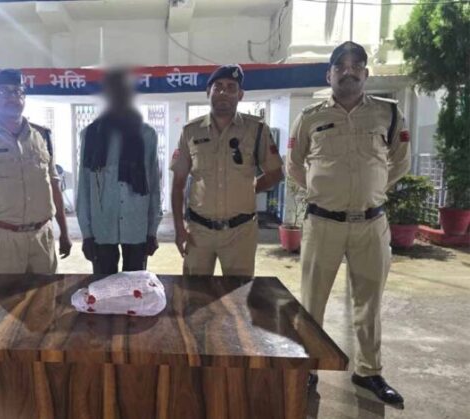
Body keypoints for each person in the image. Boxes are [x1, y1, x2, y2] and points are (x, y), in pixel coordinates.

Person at [286, 41, 410, 405]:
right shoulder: (309, 116)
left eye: (356, 66)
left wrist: (374, 191)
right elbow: (294, 163)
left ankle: (368, 371)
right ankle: (308, 369)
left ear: (366, 74)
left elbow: (400, 160)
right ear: (329, 74)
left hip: (371, 225)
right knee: (312, 302)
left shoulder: (388, 113)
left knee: (369, 303)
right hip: (323, 223)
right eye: (341, 66)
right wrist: (320, 192)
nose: (349, 71)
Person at [0, 69, 71, 286]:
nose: (12, 97)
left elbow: (53, 185)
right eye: (3, 92)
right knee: (0, 304)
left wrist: (64, 233)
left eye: (17, 92)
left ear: (24, 97)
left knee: (43, 301)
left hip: (42, 238)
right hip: (0, 240)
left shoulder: (42, 136)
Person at [170, 65, 283, 277]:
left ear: (240, 95)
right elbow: (178, 183)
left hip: (240, 233)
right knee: (195, 291)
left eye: (231, 87)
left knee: (238, 293)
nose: (224, 92)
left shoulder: (256, 130)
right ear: (208, 92)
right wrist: (179, 228)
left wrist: (248, 189)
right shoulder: (190, 132)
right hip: (199, 233)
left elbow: (275, 173)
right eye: (218, 86)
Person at [76, 69, 162, 274]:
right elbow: (84, 186)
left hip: (137, 227)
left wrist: (152, 230)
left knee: (135, 286)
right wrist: (86, 234)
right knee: (103, 286)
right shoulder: (91, 135)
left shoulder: (147, 134)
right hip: (102, 229)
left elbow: (154, 184)